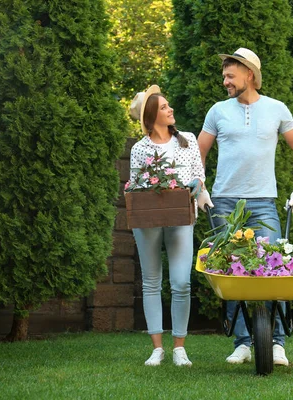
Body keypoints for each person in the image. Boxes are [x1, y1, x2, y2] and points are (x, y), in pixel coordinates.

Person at [197, 48, 293, 367]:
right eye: (224, 76)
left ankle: (276, 343)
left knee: (276, 270)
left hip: (263, 203)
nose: (225, 82)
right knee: (230, 270)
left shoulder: (276, 109)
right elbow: (198, 153)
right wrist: (200, 189)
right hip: (225, 203)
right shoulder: (218, 111)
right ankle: (243, 342)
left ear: (250, 74)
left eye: (230, 76)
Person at [128, 85, 213, 366]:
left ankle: (179, 347)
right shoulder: (140, 149)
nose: (170, 109)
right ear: (152, 117)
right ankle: (157, 348)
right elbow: (136, 185)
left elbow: (200, 176)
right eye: (164, 107)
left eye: (168, 105)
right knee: (151, 281)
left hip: (181, 218)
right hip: (148, 221)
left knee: (181, 282)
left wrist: (196, 184)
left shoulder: (187, 140)